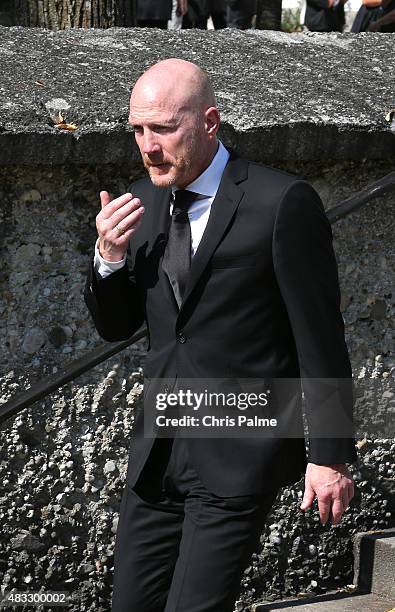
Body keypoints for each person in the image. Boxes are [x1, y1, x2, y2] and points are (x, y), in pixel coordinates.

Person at [84, 58, 357, 612]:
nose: (148, 145)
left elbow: (320, 336)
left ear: (210, 122)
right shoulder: (143, 199)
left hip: (239, 450)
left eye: (162, 128)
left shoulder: (280, 202)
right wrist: (108, 259)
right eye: (138, 130)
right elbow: (118, 325)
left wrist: (328, 456)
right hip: (158, 455)